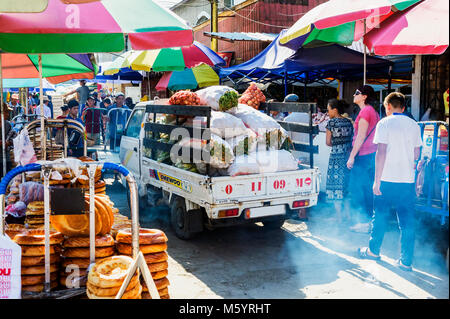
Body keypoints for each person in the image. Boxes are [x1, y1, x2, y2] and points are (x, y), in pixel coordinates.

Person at [358, 92, 422, 271]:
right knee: (407, 222)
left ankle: (373, 252)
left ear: (387, 106)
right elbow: (417, 155)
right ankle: (406, 262)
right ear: (403, 107)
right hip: (407, 181)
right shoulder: (414, 125)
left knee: (380, 216)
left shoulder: (384, 123)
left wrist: (376, 181)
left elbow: (381, 153)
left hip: (386, 179)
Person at [346, 85, 380, 233]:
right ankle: (370, 222)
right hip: (371, 155)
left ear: (364, 96)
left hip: (364, 155)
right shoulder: (371, 111)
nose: (354, 95)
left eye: (357, 93)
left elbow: (361, 136)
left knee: (358, 189)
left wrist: (352, 157)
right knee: (366, 189)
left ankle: (363, 222)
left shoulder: (366, 111)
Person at [325, 99, 354, 222]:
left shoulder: (331, 123)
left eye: (328, 109)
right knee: (345, 186)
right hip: (347, 157)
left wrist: (337, 145)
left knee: (335, 186)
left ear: (334, 109)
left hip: (336, 157)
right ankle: (348, 215)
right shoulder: (348, 122)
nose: (328, 112)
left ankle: (339, 217)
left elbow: (328, 142)